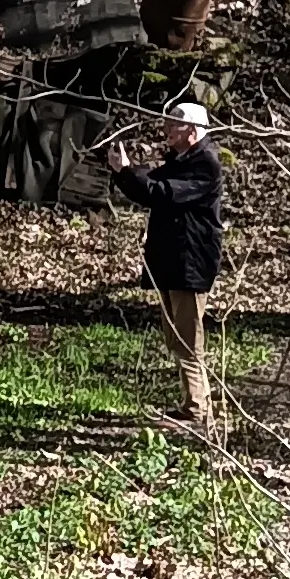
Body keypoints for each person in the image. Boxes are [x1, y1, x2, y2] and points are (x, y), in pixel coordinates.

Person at [104, 96, 223, 433]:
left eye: (177, 125)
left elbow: (163, 193)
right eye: (168, 123)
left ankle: (198, 410)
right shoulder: (182, 158)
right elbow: (148, 188)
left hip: (192, 261)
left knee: (187, 337)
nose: (168, 129)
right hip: (174, 260)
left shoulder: (206, 165)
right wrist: (123, 171)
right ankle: (192, 405)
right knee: (175, 334)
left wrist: (129, 172)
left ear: (195, 131)